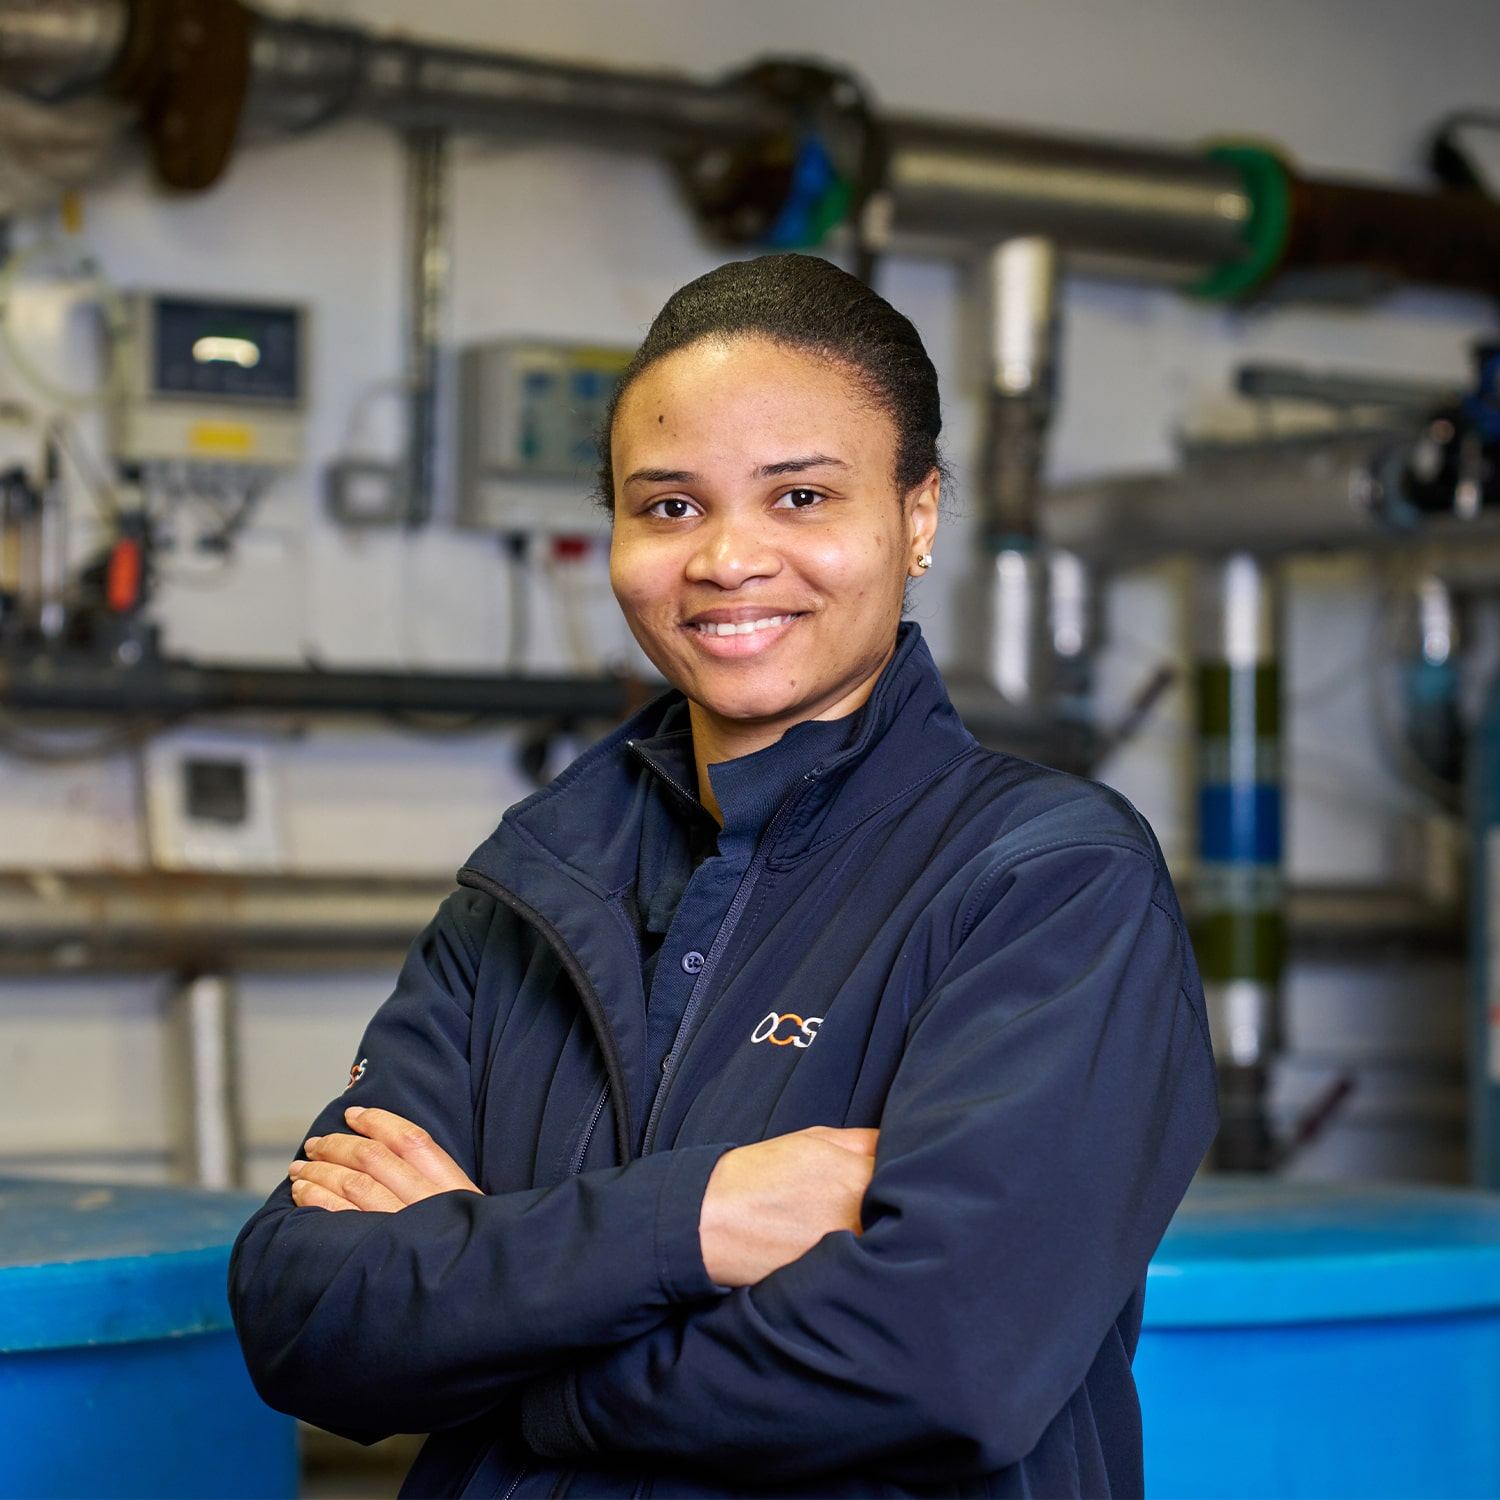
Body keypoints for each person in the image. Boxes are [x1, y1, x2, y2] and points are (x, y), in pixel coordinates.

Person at [228, 252, 1219, 1499]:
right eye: (672, 507)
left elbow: (943, 1362)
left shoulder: (1049, 884)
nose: (728, 560)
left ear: (917, 516)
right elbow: (303, 1310)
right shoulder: (533, 886)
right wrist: (699, 1218)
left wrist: (505, 1343)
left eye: (800, 497)